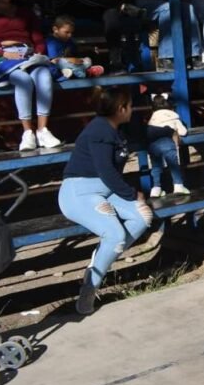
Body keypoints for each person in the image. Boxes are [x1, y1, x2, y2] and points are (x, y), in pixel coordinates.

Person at [59, 88, 153, 315]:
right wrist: (132, 194)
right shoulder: (99, 131)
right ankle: (90, 287)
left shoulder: (116, 128)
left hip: (106, 190)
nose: (132, 109)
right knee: (116, 235)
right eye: (130, 106)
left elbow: (146, 132)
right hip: (80, 191)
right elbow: (107, 172)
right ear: (121, 109)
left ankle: (102, 259)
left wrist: (169, 131)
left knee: (142, 217)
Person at [0, 0, 63, 151]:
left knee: (43, 75)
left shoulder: (24, 12)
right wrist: (1, 53)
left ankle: (43, 130)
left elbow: (37, 37)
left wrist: (37, 52)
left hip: (28, 56)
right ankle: (27, 133)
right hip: (1, 59)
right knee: (23, 80)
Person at [147, 92, 190, 198]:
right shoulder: (173, 117)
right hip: (168, 143)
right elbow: (183, 132)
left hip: (153, 144)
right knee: (173, 165)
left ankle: (156, 189)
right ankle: (178, 186)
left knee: (156, 167)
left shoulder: (152, 119)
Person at [45, 14, 104, 79]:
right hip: (57, 66)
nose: (70, 35)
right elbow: (54, 60)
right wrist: (70, 59)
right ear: (55, 29)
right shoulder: (51, 42)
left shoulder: (68, 40)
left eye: (71, 33)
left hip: (70, 65)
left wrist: (90, 48)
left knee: (87, 60)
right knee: (61, 63)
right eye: (66, 32)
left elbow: (76, 48)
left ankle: (72, 72)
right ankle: (86, 73)